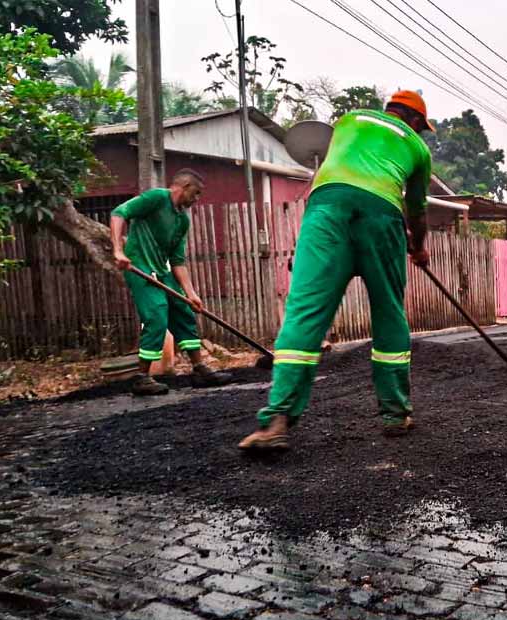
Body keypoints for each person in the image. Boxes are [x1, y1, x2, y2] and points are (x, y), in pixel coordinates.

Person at [238, 90, 434, 450]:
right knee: (389, 311)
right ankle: (395, 414)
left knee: (305, 312)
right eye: (422, 127)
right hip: (382, 216)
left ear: (390, 109)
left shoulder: (348, 121)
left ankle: (276, 421)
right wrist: (418, 247)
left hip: (325, 210)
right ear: (417, 121)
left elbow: (343, 175)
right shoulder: (418, 147)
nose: (421, 133)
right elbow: (418, 210)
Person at [111, 169, 231, 395]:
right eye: (196, 193)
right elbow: (119, 212)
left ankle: (199, 369)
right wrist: (118, 250)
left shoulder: (182, 220)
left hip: (161, 270)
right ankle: (142, 378)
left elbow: (177, 261)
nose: (197, 199)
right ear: (184, 187)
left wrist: (191, 294)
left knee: (184, 311)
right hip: (139, 267)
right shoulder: (156, 198)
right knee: (156, 314)